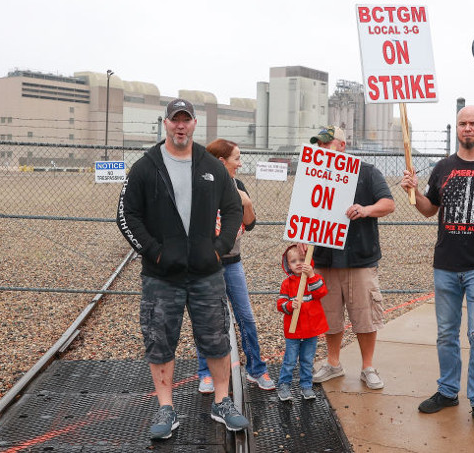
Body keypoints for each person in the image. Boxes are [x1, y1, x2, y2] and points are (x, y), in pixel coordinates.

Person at [116, 98, 249, 439]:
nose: (180, 126)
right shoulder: (146, 166)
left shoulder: (211, 165)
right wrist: (156, 252)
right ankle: (166, 408)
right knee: (160, 340)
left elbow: (234, 209)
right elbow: (126, 216)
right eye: (174, 120)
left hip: (207, 273)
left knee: (216, 338)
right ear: (165, 124)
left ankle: (222, 402)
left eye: (185, 120)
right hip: (162, 277)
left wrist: (218, 250)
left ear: (194, 124)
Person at [399, 105, 474, 433]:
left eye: (473, 123)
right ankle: (447, 391)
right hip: (446, 265)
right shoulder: (443, 167)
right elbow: (429, 210)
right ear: (457, 128)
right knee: (446, 333)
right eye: (462, 123)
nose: (467, 128)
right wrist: (412, 191)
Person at [308, 125, 397, 390]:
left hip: (360, 257)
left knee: (365, 315)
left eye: (327, 144)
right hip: (325, 258)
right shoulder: (315, 175)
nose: (322, 150)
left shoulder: (366, 172)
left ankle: (367, 367)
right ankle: (333, 363)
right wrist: (302, 238)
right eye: (319, 145)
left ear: (342, 145)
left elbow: (388, 203)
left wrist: (366, 209)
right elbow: (305, 211)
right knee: (330, 314)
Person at [195, 138, 275, 394]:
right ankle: (206, 373)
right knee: (207, 320)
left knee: (246, 318)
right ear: (221, 162)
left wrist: (247, 202)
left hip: (232, 264)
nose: (240, 164)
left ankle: (256, 369)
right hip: (206, 266)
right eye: (237, 158)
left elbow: (249, 224)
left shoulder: (237, 185)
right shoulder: (200, 185)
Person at [275, 244, 329, 402]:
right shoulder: (287, 283)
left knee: (307, 359)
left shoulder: (315, 279)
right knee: (290, 360)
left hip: (311, 329)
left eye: (302, 259)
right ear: (288, 265)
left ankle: (306, 385)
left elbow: (321, 293)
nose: (298, 263)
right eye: (293, 261)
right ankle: (284, 385)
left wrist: (311, 275)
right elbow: (280, 304)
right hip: (294, 330)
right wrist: (290, 306)